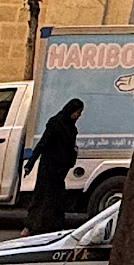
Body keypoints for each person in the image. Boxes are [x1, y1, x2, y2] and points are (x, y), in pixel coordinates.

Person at [22, 98, 82, 235]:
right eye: (77, 112)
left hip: (60, 170)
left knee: (57, 199)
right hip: (48, 168)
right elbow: (43, 143)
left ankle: (54, 227)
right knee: (41, 197)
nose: (78, 115)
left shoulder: (71, 128)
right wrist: (30, 164)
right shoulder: (56, 124)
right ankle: (30, 226)